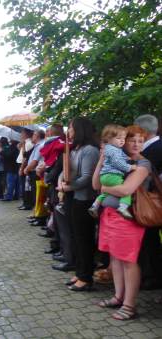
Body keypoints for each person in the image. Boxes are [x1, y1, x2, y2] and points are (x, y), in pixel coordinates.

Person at [94, 125, 151, 320]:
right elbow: (95, 184)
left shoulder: (143, 164)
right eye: (132, 140)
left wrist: (105, 188)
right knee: (115, 259)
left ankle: (129, 305)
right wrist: (102, 159)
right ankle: (118, 297)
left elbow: (126, 190)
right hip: (110, 214)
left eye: (140, 141)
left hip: (128, 219)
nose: (136, 144)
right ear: (123, 142)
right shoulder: (116, 159)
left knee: (128, 261)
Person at [59, 117, 99, 290]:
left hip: (84, 200)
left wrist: (68, 187)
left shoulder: (90, 150)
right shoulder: (76, 148)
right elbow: (65, 170)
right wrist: (61, 182)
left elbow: (87, 178)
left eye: (72, 128)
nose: (69, 131)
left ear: (80, 130)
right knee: (76, 237)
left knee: (84, 239)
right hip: (73, 197)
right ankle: (80, 272)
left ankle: (86, 277)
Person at [134, 114, 162, 292]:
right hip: (154, 203)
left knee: (150, 241)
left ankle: (152, 277)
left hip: (151, 204)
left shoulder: (151, 151)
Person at [88, 125, 136, 219]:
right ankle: (123, 207)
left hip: (105, 177)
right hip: (113, 175)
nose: (122, 140)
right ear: (109, 139)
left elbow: (122, 156)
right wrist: (130, 167)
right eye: (119, 138)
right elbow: (118, 162)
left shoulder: (114, 149)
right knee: (126, 191)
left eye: (123, 138)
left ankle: (95, 205)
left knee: (105, 193)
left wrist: (128, 158)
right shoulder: (113, 150)